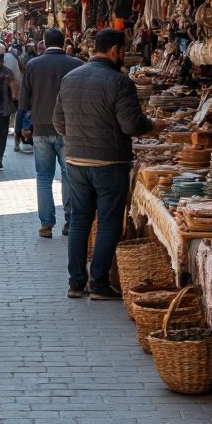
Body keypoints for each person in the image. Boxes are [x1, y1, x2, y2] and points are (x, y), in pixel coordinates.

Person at [53, 28, 164, 300]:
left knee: (79, 219)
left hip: (76, 161)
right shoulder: (119, 81)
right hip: (109, 162)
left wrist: (79, 137)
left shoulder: (70, 78)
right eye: (123, 50)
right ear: (115, 50)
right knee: (108, 222)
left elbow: (58, 123)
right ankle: (99, 283)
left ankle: (76, 282)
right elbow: (131, 125)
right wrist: (154, 126)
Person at [20, 28, 83, 239]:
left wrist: (24, 125)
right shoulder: (76, 65)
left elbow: (23, 100)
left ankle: (46, 225)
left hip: (41, 128)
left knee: (43, 177)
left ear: (44, 43)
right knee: (69, 175)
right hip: (68, 129)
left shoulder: (33, 65)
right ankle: (70, 220)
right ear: (64, 42)